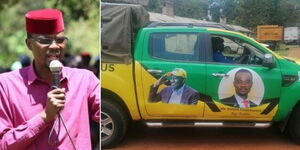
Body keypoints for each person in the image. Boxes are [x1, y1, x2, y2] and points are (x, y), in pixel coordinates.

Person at [0, 9, 99, 150]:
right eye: (45, 40)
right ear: (29, 44)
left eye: (59, 40)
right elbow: (3, 144)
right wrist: (45, 117)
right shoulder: (6, 85)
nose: (54, 46)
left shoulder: (85, 80)